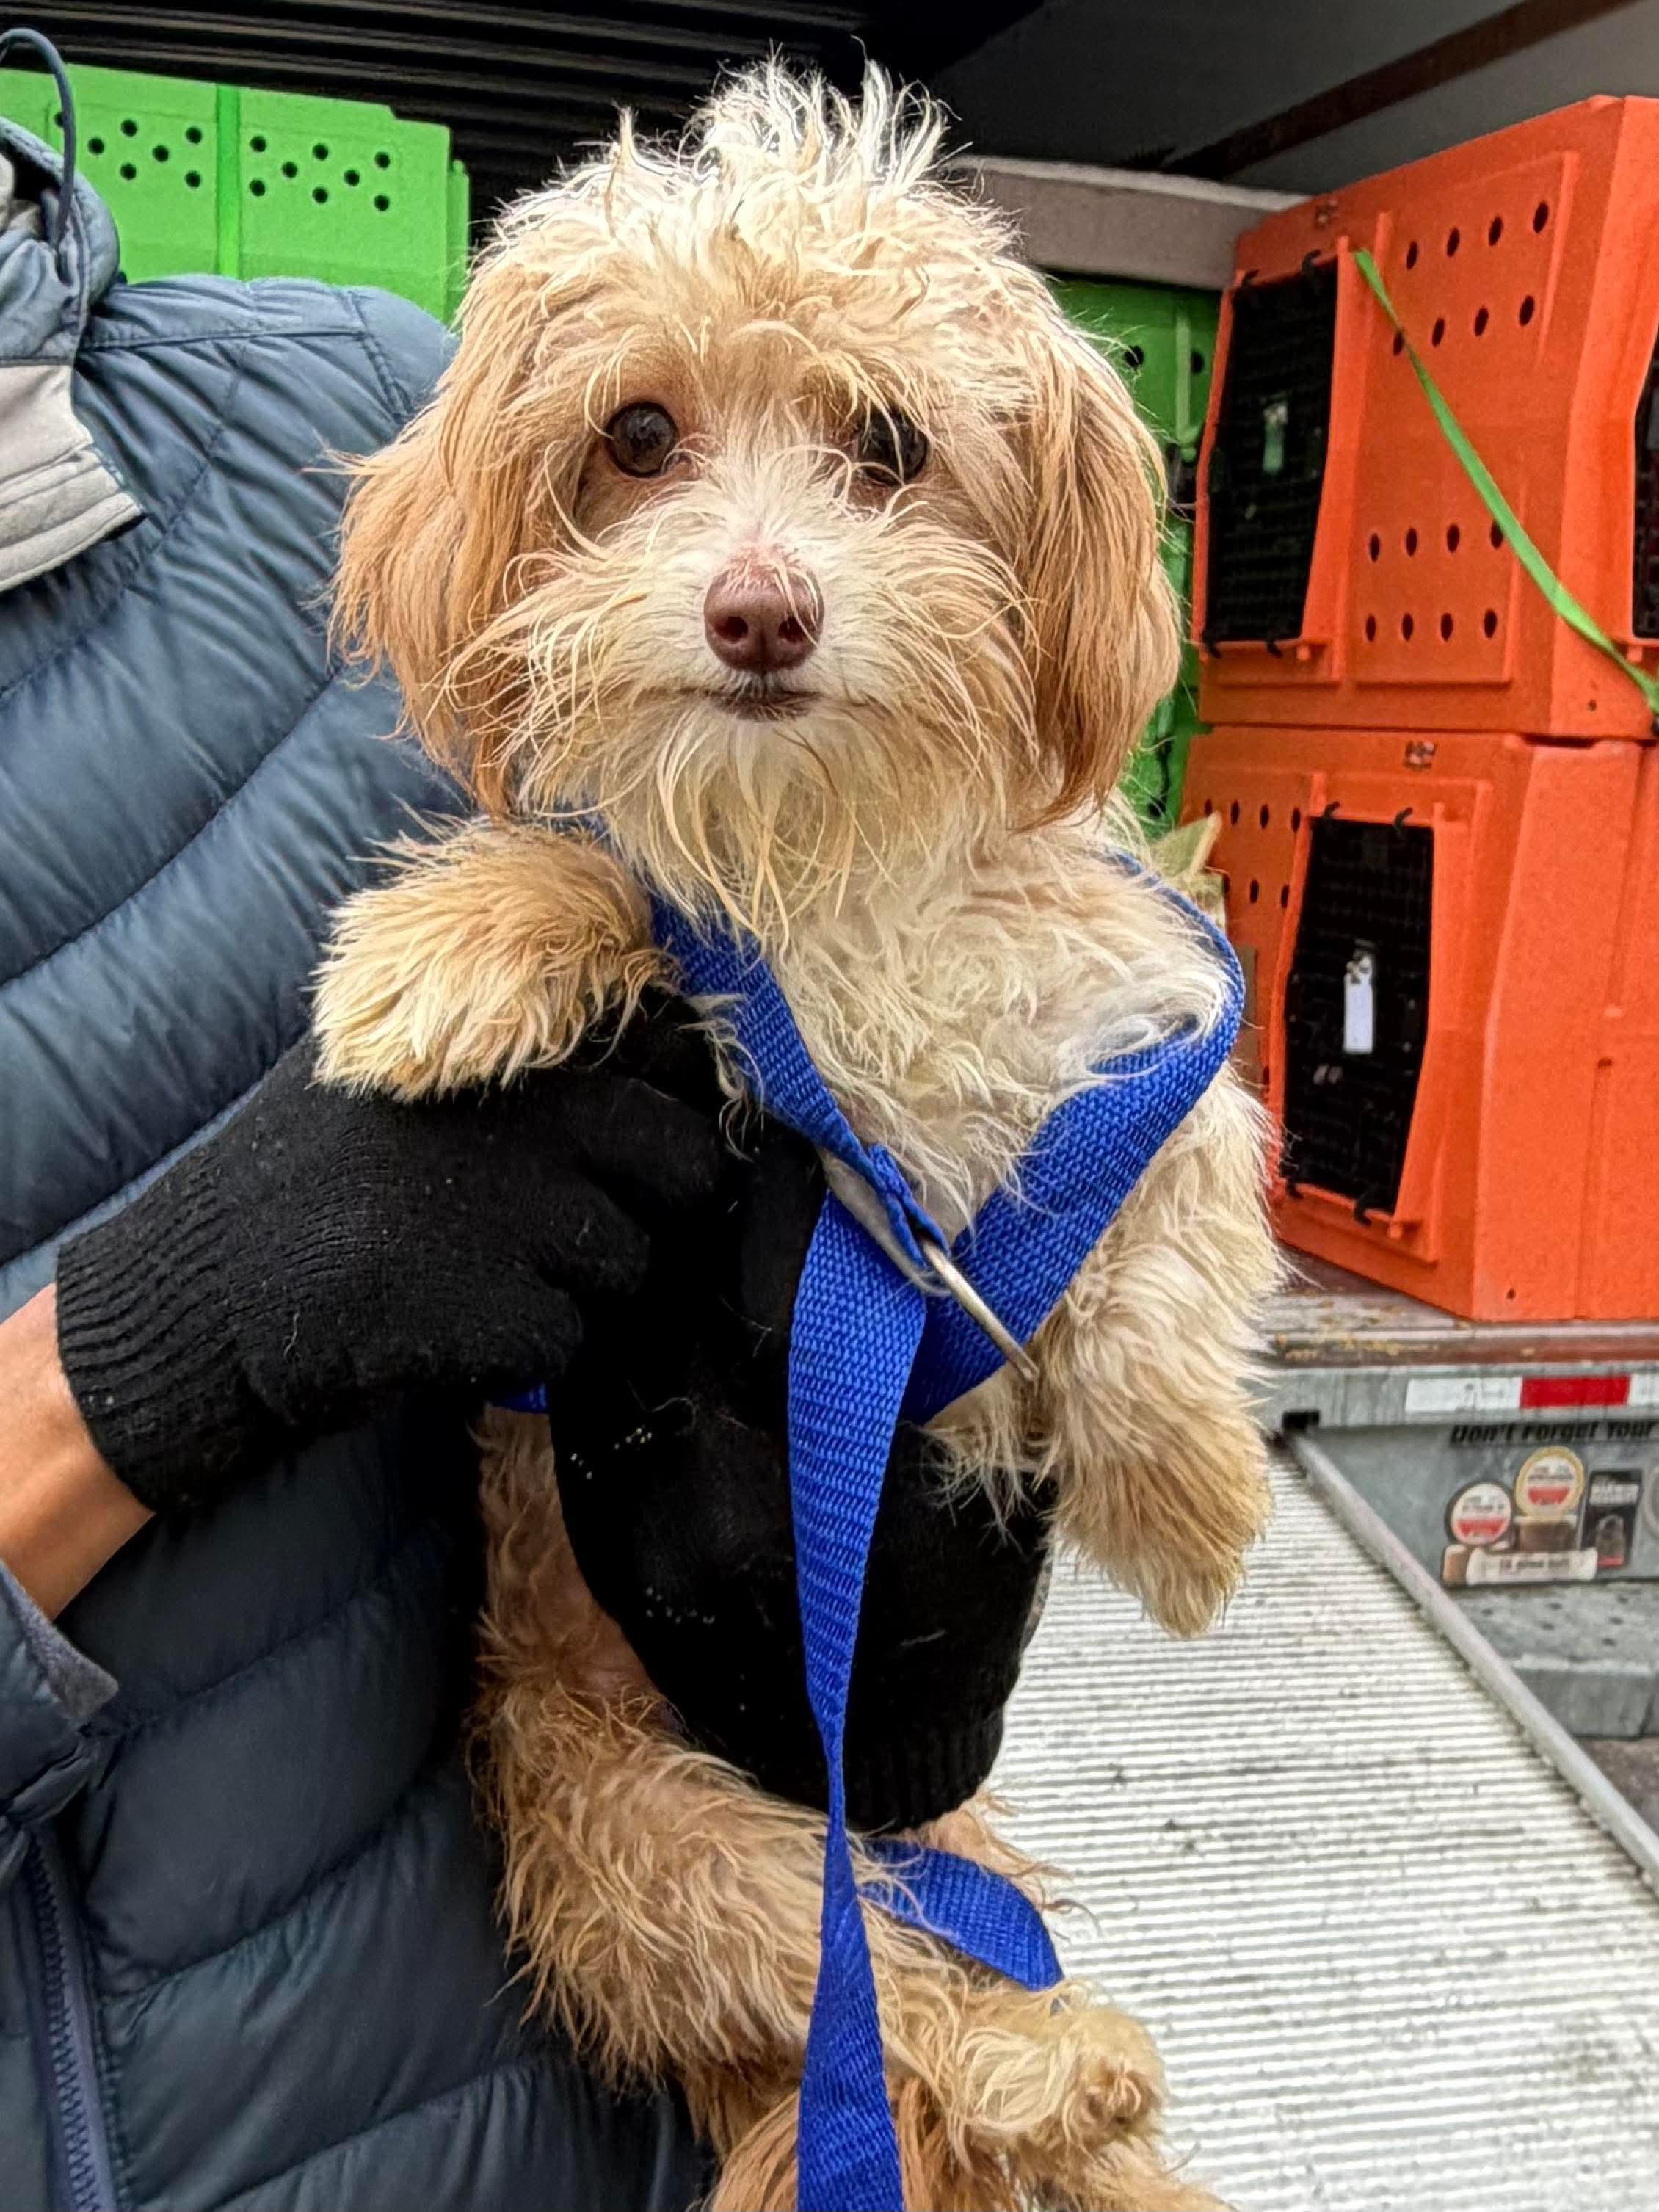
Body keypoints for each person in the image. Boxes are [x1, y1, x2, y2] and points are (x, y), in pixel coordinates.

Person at [0, 81, 1047, 2212]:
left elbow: (962, 873)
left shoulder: (391, 409)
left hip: (573, 2120)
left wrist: (959, 1486)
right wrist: (122, 1372)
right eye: (646, 450)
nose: (745, 559)